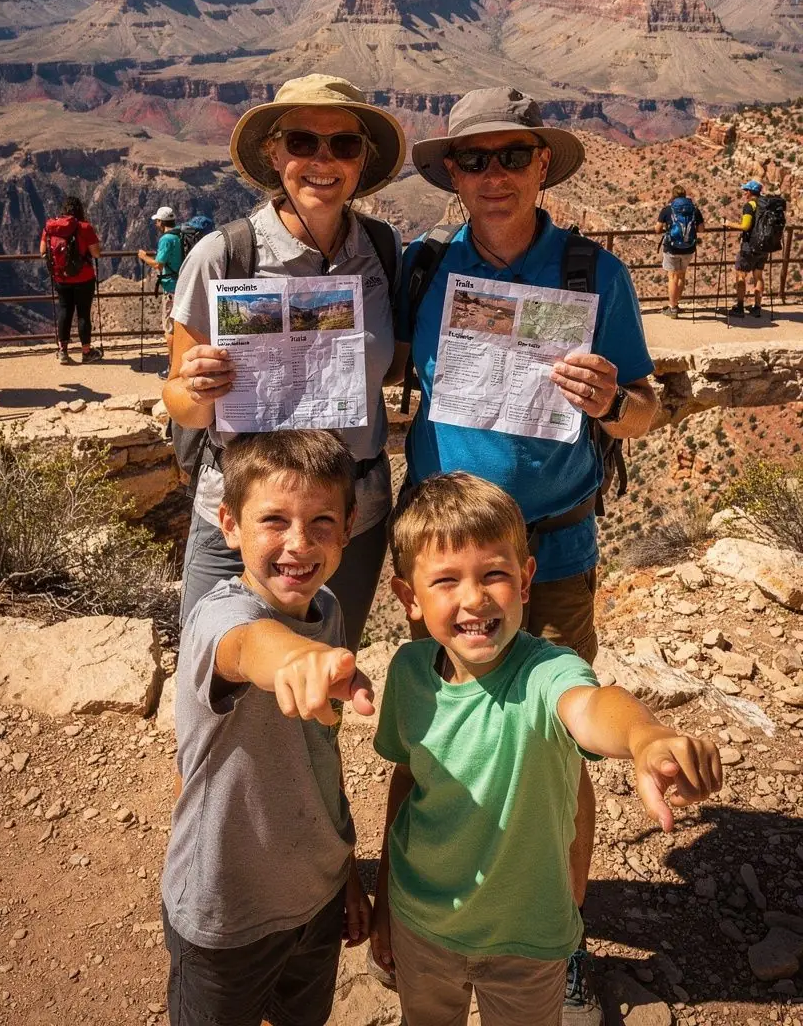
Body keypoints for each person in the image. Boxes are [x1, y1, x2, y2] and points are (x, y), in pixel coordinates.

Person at [393, 86, 657, 1023]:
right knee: (429, 735)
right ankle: (424, 913)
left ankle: (561, 939)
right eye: (475, 159)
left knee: (553, 757)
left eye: (512, 156)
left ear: (543, 163)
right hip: (437, 555)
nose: (494, 174)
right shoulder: (424, 273)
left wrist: (611, 402)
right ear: (452, 174)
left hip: (551, 553)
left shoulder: (592, 272)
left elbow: (647, 405)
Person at [369, 472, 723, 1026]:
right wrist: (387, 908)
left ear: (526, 580)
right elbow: (406, 782)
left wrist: (644, 736)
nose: (474, 597)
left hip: (526, 941)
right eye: (446, 581)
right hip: (420, 924)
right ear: (408, 597)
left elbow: (592, 705)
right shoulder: (409, 673)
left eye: (494, 574)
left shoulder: (546, 671)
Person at [164, 73, 406, 649]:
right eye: (302, 143)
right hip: (243, 517)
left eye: (343, 145)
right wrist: (197, 390)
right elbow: (178, 401)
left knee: (328, 675)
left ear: (362, 160)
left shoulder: (384, 248)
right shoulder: (224, 254)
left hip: (351, 513)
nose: (322, 160)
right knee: (216, 675)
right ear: (275, 154)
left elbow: (391, 370)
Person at [162, 430, 374, 1026]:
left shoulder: (326, 609)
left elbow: (318, 759)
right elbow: (250, 645)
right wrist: (294, 660)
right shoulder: (218, 619)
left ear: (351, 524)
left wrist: (345, 873)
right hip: (226, 913)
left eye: (322, 521)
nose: (298, 545)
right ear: (229, 524)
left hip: (317, 898)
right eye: (273, 520)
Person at [40, 195, 102, 365]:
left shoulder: (51, 228)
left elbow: (43, 250)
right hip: (84, 278)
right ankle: (86, 352)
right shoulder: (85, 227)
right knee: (83, 314)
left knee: (64, 312)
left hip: (61, 278)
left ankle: (63, 352)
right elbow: (96, 253)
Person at [138, 206, 183, 377]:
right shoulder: (180, 235)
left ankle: (172, 367)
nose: (156, 224)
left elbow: (158, 264)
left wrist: (143, 257)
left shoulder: (167, 239)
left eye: (157, 221)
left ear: (161, 222)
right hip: (183, 285)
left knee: (170, 329)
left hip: (171, 288)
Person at [656, 187, 704, 318]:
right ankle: (676, 304)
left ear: (673, 195)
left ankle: (672, 308)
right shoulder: (694, 209)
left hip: (672, 248)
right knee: (681, 276)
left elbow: (657, 229)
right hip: (688, 248)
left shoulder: (668, 209)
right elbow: (701, 229)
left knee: (672, 277)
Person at [727, 180, 765, 318]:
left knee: (741, 275)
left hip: (749, 245)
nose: (744, 193)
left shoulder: (750, 206)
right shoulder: (765, 205)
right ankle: (757, 307)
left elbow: (745, 226)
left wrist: (729, 223)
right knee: (758, 276)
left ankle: (740, 307)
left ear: (749, 192)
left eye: (745, 190)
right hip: (763, 246)